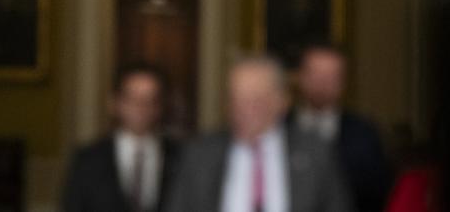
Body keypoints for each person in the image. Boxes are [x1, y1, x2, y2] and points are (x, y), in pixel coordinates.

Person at [166, 56, 353, 212]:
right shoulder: (199, 154)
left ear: (282, 101)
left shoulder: (316, 153)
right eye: (236, 98)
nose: (243, 110)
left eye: (255, 100)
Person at [62, 63, 181, 212]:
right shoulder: (88, 159)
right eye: (132, 98)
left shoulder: (179, 156)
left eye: (150, 99)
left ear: (160, 106)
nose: (141, 107)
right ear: (115, 103)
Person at [290, 45, 391, 212]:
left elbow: (377, 193)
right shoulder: (277, 128)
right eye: (315, 74)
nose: (322, 84)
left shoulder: (364, 134)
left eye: (331, 76)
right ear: (299, 77)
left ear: (344, 83)